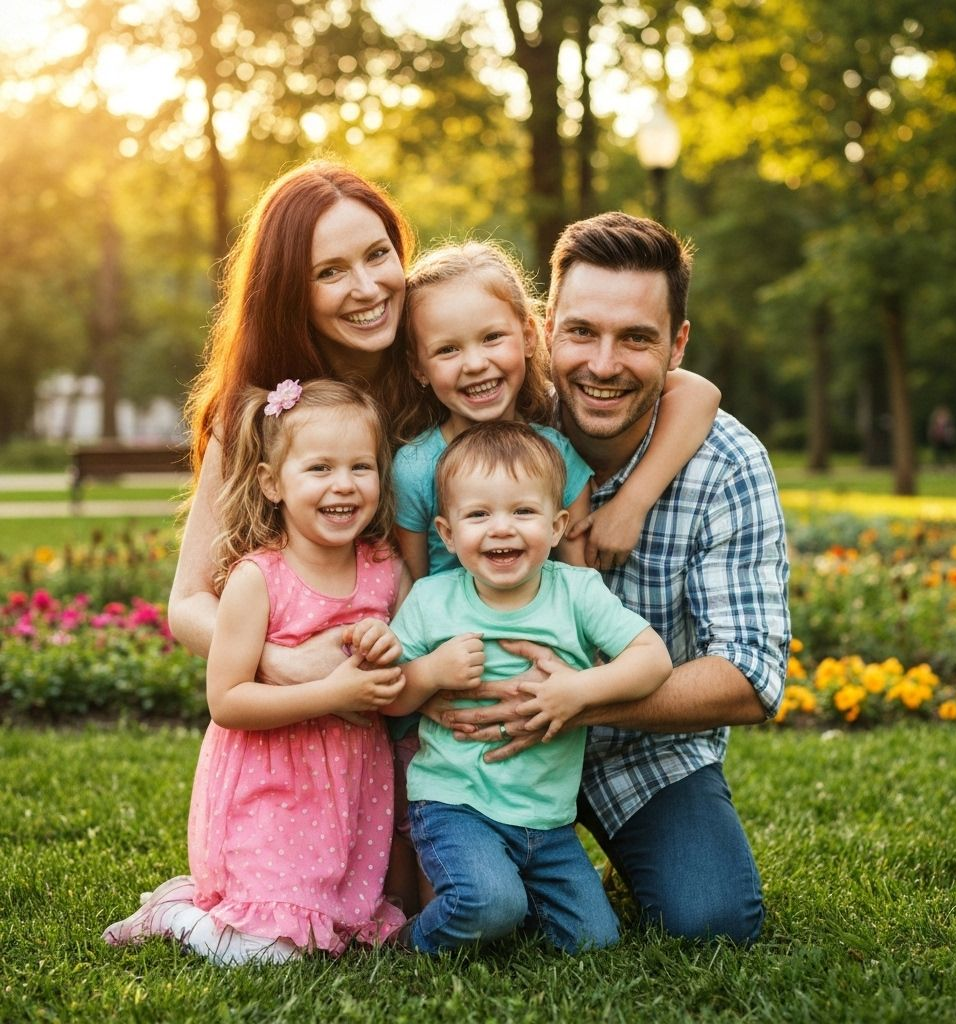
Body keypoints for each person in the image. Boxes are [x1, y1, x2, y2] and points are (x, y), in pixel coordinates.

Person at [436, 212, 791, 945]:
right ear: (544, 329)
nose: (602, 363)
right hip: (481, 751)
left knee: (715, 922)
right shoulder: (500, 417)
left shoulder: (726, 464)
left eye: (636, 338)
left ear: (677, 344)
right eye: (582, 332)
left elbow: (751, 677)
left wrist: (573, 701)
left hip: (641, 752)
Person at [103, 380, 409, 963]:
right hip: (267, 790)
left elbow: (400, 677)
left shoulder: (384, 572)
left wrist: (387, 648)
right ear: (273, 483)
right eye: (319, 467)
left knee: (337, 938)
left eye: (360, 467)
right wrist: (329, 691)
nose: (343, 484)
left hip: (345, 793)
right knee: (270, 953)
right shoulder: (258, 580)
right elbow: (228, 701)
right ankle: (177, 915)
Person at [384, 421, 672, 954]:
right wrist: (432, 673)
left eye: (523, 511)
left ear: (559, 524)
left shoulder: (576, 592)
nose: (501, 529)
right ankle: (405, 942)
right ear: (446, 534)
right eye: (478, 514)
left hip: (548, 821)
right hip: (456, 803)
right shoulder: (431, 600)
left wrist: (580, 691)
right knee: (490, 905)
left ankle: (511, 899)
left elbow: (652, 659)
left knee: (595, 943)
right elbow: (391, 696)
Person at [168, 158, 414, 678]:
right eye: (331, 272)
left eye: (378, 254)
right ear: (289, 292)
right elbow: (189, 603)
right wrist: (284, 664)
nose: (368, 288)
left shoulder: (438, 368)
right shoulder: (258, 410)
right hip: (295, 721)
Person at [389, 239, 722, 578]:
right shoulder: (414, 469)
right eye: (447, 350)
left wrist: (631, 504)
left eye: (492, 338)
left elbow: (580, 584)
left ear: (530, 336)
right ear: (418, 368)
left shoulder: (556, 449)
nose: (475, 364)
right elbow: (413, 586)